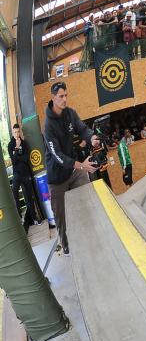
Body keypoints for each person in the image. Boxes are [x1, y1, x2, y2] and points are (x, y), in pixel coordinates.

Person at [43, 82, 100, 256]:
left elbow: (83, 130)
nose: (64, 99)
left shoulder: (71, 113)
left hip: (72, 171)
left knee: (86, 183)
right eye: (61, 96)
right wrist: (81, 165)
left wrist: (92, 138)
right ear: (53, 98)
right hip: (57, 177)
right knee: (60, 215)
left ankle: (92, 225)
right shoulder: (48, 126)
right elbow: (58, 156)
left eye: (66, 95)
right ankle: (66, 243)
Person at [8, 124, 43, 232]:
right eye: (15, 132)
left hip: (26, 173)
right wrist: (17, 147)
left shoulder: (24, 143)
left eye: (18, 132)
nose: (17, 134)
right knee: (14, 193)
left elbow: (27, 158)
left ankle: (35, 218)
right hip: (17, 174)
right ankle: (19, 217)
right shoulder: (10, 145)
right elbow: (13, 161)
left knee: (29, 196)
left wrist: (17, 155)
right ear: (13, 132)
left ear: (20, 132)